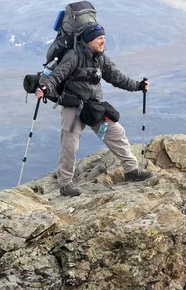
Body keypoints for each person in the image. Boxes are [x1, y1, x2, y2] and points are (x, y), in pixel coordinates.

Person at [37, 23, 153, 196]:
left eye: (104, 38)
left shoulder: (101, 58)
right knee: (70, 145)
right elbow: (58, 74)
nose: (103, 41)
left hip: (93, 106)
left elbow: (116, 77)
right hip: (73, 107)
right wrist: (45, 87)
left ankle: (131, 170)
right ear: (90, 39)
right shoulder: (73, 56)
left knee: (116, 133)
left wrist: (137, 86)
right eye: (100, 38)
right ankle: (65, 184)